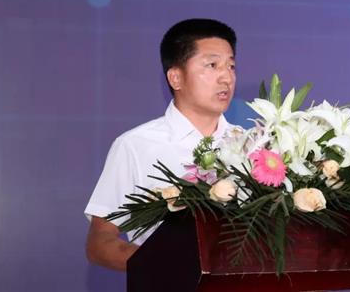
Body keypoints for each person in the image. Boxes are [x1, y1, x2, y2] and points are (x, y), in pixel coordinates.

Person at [84, 18, 237, 271]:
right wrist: (160, 265)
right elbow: (100, 241)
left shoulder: (254, 145)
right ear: (176, 78)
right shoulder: (135, 146)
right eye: (212, 65)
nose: (227, 78)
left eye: (231, 66)